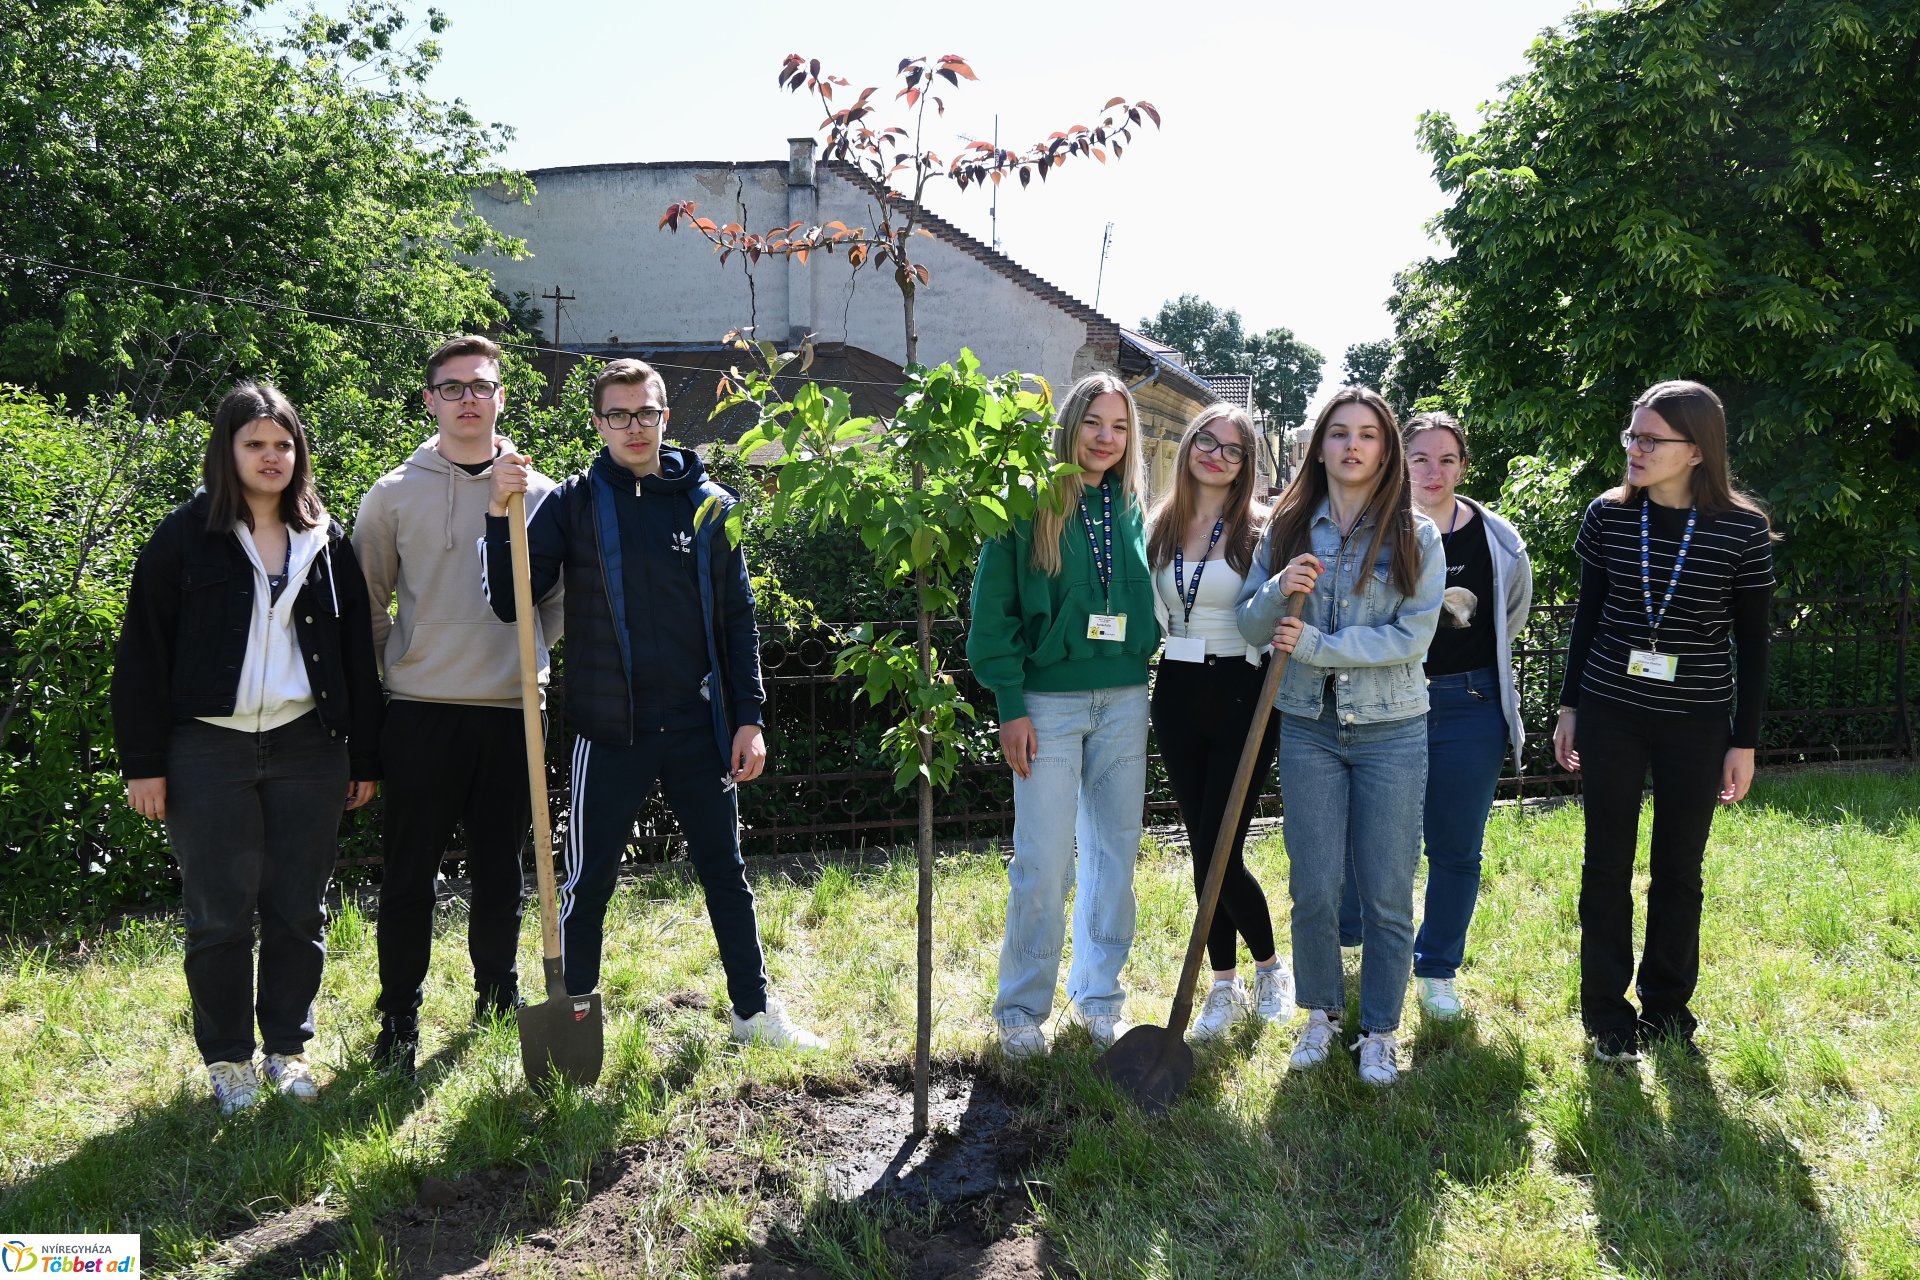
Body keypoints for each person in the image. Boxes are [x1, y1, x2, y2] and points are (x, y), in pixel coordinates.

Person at [485, 357, 823, 1050]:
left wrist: (750, 718)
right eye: (618, 415)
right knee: (588, 885)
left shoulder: (711, 504)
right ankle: (574, 1015)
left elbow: (738, 619)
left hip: (700, 728)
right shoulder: (573, 503)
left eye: (645, 412)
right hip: (612, 732)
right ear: (598, 423)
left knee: (727, 875)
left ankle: (753, 1014)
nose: (633, 426)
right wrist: (497, 514)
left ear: (666, 417)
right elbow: (507, 600)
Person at [112, 382, 382, 1114]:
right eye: (255, 444)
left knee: (299, 908)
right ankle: (228, 1060)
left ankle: (286, 1051)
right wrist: (143, 763)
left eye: (284, 444)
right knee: (220, 914)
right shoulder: (182, 538)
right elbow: (142, 656)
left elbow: (356, 655)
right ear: (226, 452)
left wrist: (363, 757)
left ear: (300, 454)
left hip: (307, 747)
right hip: (208, 750)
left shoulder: (325, 541)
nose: (272, 457)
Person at [353, 334, 564, 1078]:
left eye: (481, 386)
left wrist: (530, 654)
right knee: (408, 873)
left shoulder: (541, 496)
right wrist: (402, 662)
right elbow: (367, 600)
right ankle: (399, 1016)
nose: (468, 398)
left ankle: (498, 996)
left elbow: (559, 599)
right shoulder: (392, 494)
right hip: (419, 709)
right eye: (453, 387)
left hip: (512, 710)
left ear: (502, 397)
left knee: (502, 869)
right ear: (430, 400)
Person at [1552, 380, 1775, 1063]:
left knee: (1679, 868)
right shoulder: (1608, 517)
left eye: (1651, 439)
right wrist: (1569, 707)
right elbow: (1586, 618)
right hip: (1611, 711)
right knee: (1606, 863)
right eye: (1632, 435)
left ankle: (1668, 1004)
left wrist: (1744, 741)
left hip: (1697, 721)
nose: (1635, 449)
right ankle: (1604, 1008)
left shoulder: (1742, 530)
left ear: (1696, 451)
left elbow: (1755, 641)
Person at [1236, 387, 1444, 1086]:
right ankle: (1321, 1014)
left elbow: (1410, 636)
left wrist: (1320, 644)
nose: (1353, 446)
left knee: (1386, 890)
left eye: (1368, 435)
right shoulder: (1288, 527)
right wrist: (1274, 590)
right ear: (1317, 445)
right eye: (1339, 434)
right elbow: (1251, 626)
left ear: (1386, 450)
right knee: (1317, 885)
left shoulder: (1417, 534)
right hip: (1309, 729)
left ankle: (1380, 1028)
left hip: (1391, 729)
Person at [966, 371, 1159, 1060]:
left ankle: (1098, 996)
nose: (1106, 438)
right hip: (1046, 702)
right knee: (1045, 862)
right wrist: (1010, 705)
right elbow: (992, 615)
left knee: (1115, 858)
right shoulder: (1028, 505)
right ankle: (1021, 1010)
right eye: (1094, 423)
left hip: (1126, 699)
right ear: (1070, 426)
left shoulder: (1135, 508)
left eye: (1119, 426)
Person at [1337, 412, 1533, 1019]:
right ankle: (1348, 946)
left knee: (1456, 847)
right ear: (1401, 461)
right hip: (1387, 702)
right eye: (1420, 458)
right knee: (1362, 838)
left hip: (1469, 706)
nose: (1433, 471)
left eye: (1447, 460)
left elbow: (1512, 614)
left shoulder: (1498, 540)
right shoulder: (1373, 530)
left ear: (1463, 467)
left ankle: (1437, 969)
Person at [1145, 404, 1295, 1041]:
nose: (1217, 454)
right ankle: (1224, 986)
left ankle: (1268, 968)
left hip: (1242, 688)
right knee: (1203, 844)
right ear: (1188, 447)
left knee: (1218, 846)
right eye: (1206, 441)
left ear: (1246, 464)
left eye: (1233, 449)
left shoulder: (1262, 531)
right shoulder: (1158, 524)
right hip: (1175, 689)